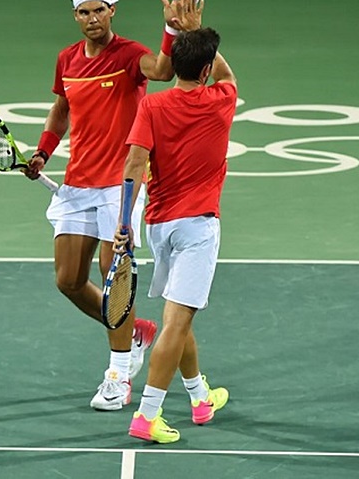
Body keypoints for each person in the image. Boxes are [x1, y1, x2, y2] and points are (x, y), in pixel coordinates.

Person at [23, 0, 203, 411]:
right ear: (75, 17)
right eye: (83, 13)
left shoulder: (128, 55)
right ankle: (134, 330)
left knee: (112, 271)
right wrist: (44, 151)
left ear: (111, 11)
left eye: (98, 11)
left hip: (120, 182)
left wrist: (174, 30)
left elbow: (161, 70)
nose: (91, 19)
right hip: (78, 182)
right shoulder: (66, 58)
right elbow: (62, 108)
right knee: (68, 280)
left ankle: (119, 374)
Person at [113, 27, 237, 442]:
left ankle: (200, 397)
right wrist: (190, 28)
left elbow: (133, 165)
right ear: (204, 70)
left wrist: (123, 223)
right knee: (175, 324)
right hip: (197, 228)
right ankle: (147, 416)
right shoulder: (222, 100)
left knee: (176, 321)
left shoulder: (152, 105)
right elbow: (226, 75)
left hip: (158, 225)